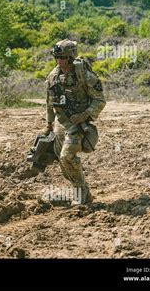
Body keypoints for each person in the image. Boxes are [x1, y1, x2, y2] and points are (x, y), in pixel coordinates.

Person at [43, 39, 106, 204]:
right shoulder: (53, 76)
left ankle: (80, 194)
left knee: (67, 157)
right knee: (62, 162)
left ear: (71, 57)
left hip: (79, 122)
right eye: (57, 57)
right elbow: (50, 103)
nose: (59, 61)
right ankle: (85, 194)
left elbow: (100, 100)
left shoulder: (84, 75)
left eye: (63, 57)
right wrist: (49, 125)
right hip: (61, 122)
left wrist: (85, 115)